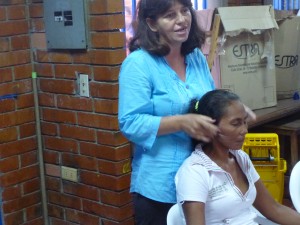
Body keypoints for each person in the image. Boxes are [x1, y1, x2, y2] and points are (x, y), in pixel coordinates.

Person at [118, 0, 220, 224]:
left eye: (185, 11)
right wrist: (181, 122)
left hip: (201, 178)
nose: (182, 20)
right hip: (160, 185)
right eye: (170, 15)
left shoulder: (194, 58)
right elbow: (130, 123)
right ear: (152, 24)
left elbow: (209, 101)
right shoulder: (138, 64)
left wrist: (231, 111)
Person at [175, 89, 300, 225]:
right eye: (236, 124)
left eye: (245, 122)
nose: (244, 130)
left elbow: (274, 209)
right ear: (209, 127)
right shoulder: (195, 172)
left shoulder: (241, 158)